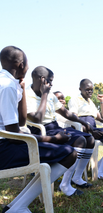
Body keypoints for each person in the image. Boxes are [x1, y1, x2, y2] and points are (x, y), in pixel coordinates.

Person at [0, 46, 77, 212]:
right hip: (4, 149)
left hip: (9, 143)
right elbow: (14, 134)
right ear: (22, 65)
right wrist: (53, 139)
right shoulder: (6, 86)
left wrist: (21, 91)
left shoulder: (9, 83)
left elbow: (20, 121)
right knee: (69, 153)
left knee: (61, 152)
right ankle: (17, 207)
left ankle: (15, 206)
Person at [26, 66, 95, 196]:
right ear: (42, 79)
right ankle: (65, 185)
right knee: (79, 141)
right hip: (40, 131)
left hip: (55, 127)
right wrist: (44, 94)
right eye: (50, 81)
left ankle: (76, 178)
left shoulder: (51, 95)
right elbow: (36, 119)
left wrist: (83, 122)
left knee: (89, 139)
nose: (51, 84)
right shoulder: (26, 94)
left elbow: (66, 113)